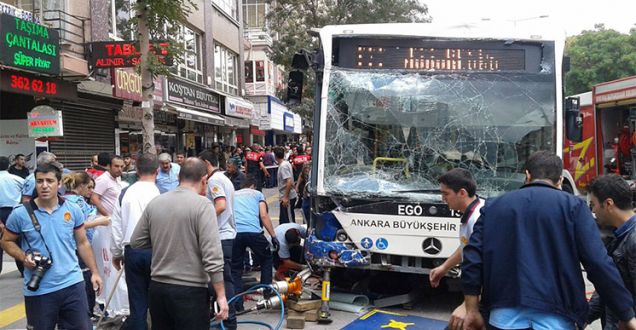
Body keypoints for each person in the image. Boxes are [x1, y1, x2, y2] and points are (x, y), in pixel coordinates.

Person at [461, 151, 636, 330]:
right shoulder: (573, 207)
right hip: (557, 318)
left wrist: (471, 309)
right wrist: (625, 313)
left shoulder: (494, 206)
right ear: (560, 180)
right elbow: (598, 263)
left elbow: (472, 258)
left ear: (527, 175)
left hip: (503, 317)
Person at [0, 162, 103, 329]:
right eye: (40, 181)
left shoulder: (73, 209)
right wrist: (23, 257)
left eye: (49, 181)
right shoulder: (20, 213)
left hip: (72, 284)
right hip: (40, 289)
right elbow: (6, 241)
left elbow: (82, 242)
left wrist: (95, 272)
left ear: (59, 183)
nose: (44, 186)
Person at [129, 158, 229, 330]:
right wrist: (221, 295)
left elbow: (136, 242)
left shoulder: (157, 202)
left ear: (179, 177)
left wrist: (164, 242)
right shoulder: (203, 205)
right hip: (190, 291)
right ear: (204, 179)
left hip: (158, 289)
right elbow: (212, 254)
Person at [427, 168, 483, 330]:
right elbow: (467, 246)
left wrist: (468, 306)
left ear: (462, 193)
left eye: (446, 194)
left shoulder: (478, 219)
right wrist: (444, 267)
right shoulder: (471, 214)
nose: (443, 199)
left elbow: (486, 266)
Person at [111, 154, 160, 330]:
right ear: (158, 171)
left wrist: (117, 253)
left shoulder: (125, 194)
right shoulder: (161, 193)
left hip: (132, 252)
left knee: (137, 303)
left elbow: (115, 226)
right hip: (157, 252)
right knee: (159, 302)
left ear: (137, 170)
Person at [587, 174, 636, 330]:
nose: (593, 211)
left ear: (608, 204)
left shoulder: (633, 241)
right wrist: (585, 318)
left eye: (593, 205)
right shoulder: (618, 237)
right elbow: (608, 288)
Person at [62, 172, 111, 317]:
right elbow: (78, 225)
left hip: (71, 247)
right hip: (80, 247)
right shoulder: (77, 202)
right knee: (87, 280)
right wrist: (100, 221)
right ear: (81, 186)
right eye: (89, 187)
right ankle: (86, 313)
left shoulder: (64, 199)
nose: (91, 191)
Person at [199, 150, 237, 329]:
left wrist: (204, 220)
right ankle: (224, 319)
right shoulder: (224, 178)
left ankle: (229, 322)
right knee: (223, 280)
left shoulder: (214, 180)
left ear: (206, 163)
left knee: (221, 281)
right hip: (226, 235)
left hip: (220, 236)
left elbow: (220, 205)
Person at [231, 177, 279, 310]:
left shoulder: (233, 194)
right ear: (253, 186)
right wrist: (273, 236)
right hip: (253, 232)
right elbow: (263, 215)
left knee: (235, 268)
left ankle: (237, 304)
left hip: (235, 233)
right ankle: (267, 294)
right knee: (266, 258)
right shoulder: (258, 194)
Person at [0, 156, 25, 276]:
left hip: (1, 211)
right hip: (14, 211)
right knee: (18, 241)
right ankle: (23, 269)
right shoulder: (16, 179)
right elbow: (27, 190)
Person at [274, 146, 297, 224]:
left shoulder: (283, 166)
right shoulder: (286, 163)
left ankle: (293, 233)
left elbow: (289, 181)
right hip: (285, 196)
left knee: (289, 220)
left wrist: (286, 197)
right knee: (284, 220)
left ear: (275, 156)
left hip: (287, 197)